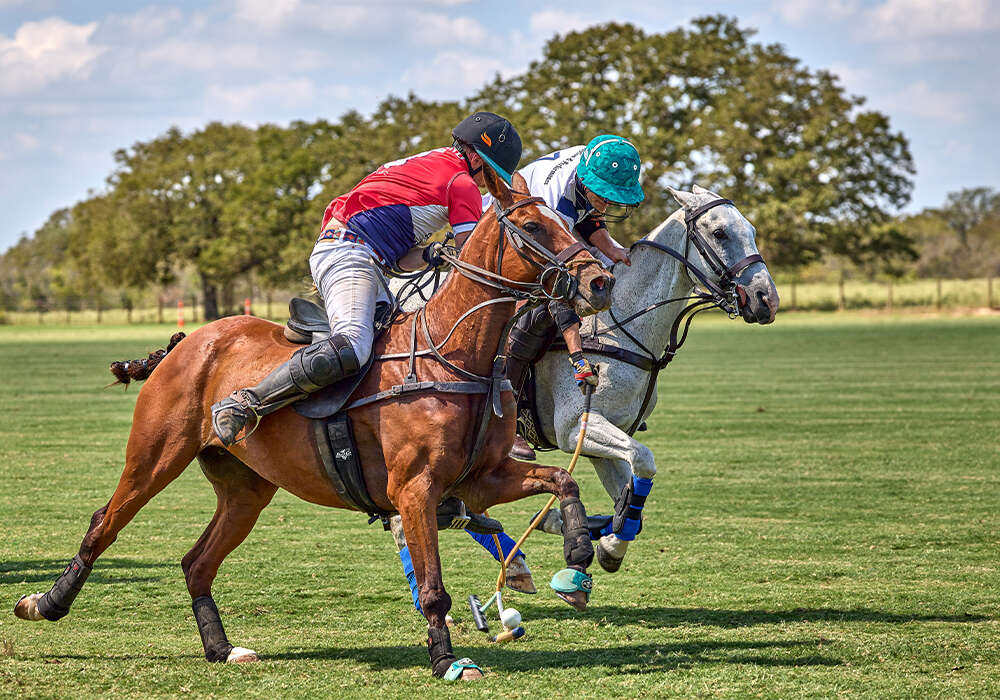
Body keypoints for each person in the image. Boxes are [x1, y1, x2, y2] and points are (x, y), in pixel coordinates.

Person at [210, 112, 522, 446]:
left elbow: (401, 259)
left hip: (359, 253)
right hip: (349, 252)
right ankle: (245, 404)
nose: (488, 182)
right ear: (476, 156)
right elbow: (473, 260)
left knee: (396, 345)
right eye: (490, 172)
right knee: (354, 347)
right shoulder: (460, 183)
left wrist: (431, 255)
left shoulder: (432, 162)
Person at [485, 135, 645, 460]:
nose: (609, 202)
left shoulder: (588, 170)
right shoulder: (553, 194)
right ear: (586, 180)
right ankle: (506, 424)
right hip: (509, 231)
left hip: (551, 231)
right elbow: (560, 273)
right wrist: (577, 357)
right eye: (605, 195)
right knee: (527, 320)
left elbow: (589, 215)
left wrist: (611, 248)